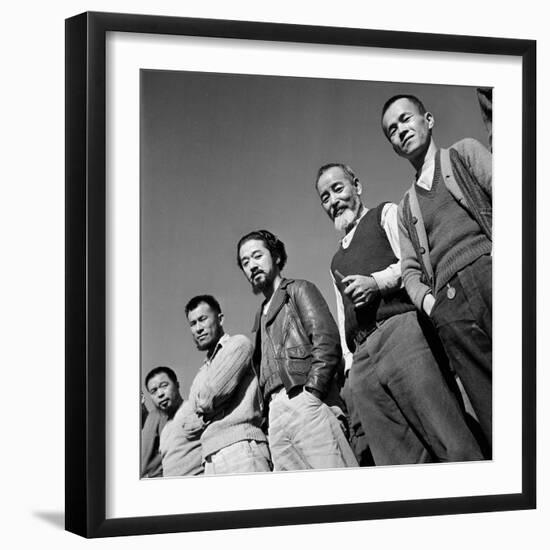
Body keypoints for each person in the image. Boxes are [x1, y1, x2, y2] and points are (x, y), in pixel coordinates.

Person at [315, 163, 485, 465]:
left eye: (337, 188)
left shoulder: (385, 214)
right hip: (363, 360)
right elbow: (343, 316)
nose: (333, 201)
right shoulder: (334, 261)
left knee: (448, 437)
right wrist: (352, 368)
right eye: (325, 197)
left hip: (402, 332)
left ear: (357, 185)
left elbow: (413, 264)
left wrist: (376, 284)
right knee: (397, 461)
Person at [381, 94, 492, 450]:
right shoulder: (405, 207)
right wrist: (432, 305)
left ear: (427, 120)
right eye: (391, 131)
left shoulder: (463, 153)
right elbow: (410, 271)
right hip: (449, 306)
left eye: (405, 119)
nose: (400, 131)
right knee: (491, 403)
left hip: (492, 271)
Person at [237, 229, 358, 471]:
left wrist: (313, 391)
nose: (252, 265)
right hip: (276, 417)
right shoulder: (259, 317)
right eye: (245, 262)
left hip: (305, 398)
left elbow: (326, 339)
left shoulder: (298, 289)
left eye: (257, 256)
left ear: (276, 257)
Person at [184, 294, 271, 475]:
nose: (198, 328)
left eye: (202, 319)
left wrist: (206, 407)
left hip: (241, 447)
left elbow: (212, 395)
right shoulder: (200, 375)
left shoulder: (238, 345)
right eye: (193, 324)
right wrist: (212, 408)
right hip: (209, 459)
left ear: (220, 319)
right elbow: (188, 426)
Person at [144, 366, 204, 477]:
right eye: (153, 391)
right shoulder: (165, 429)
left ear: (177, 385)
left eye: (164, 386)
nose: (160, 394)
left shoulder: (194, 408)